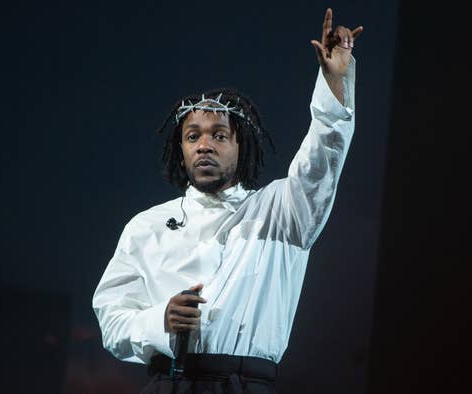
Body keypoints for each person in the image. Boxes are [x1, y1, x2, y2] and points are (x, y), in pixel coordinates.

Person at [93, 8, 362, 393]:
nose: (204, 145)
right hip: (168, 383)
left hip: (244, 385)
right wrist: (159, 321)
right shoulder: (146, 226)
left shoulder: (281, 212)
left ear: (241, 146)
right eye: (192, 136)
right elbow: (111, 317)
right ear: (181, 149)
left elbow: (323, 159)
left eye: (219, 135)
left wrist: (333, 83)